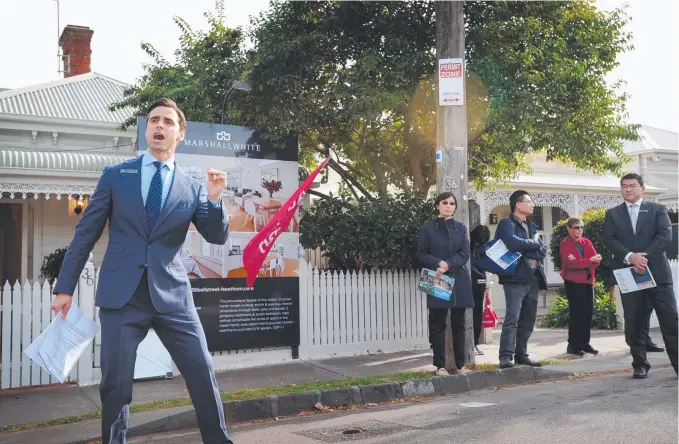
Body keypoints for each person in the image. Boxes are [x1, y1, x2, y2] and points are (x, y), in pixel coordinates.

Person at [50, 99, 234, 444]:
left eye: (167, 122)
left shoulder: (192, 186)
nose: (159, 127)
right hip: (123, 296)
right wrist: (65, 288)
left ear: (180, 134)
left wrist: (214, 198)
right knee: (116, 385)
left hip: (173, 296)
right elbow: (85, 233)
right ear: (147, 129)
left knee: (202, 372)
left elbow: (216, 235)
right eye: (153, 120)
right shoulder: (116, 176)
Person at [603, 173, 678, 379]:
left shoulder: (657, 210)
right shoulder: (613, 214)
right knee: (634, 321)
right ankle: (640, 364)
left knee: (671, 320)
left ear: (642, 189)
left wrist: (643, 257)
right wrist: (630, 257)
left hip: (657, 275)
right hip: (630, 274)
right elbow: (610, 240)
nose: (628, 189)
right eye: (624, 186)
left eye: (633, 185)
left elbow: (665, 236)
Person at [416, 192, 474, 376]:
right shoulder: (428, 227)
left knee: (459, 324)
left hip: (459, 278)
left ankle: (459, 365)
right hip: (437, 278)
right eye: (445, 203)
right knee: (437, 322)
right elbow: (421, 253)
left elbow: (465, 253)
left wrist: (448, 264)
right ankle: (439, 365)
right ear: (437, 206)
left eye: (452, 203)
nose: (449, 206)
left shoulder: (460, 228)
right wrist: (438, 264)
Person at [496, 190, 547, 369]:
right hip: (514, 278)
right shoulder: (506, 223)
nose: (532, 204)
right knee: (512, 318)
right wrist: (533, 245)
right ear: (518, 204)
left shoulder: (531, 226)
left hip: (532, 277)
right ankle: (505, 357)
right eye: (529, 201)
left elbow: (543, 250)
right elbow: (512, 243)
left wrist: (531, 247)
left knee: (528, 318)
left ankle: (521, 354)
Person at [559, 217, 602, 356]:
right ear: (569, 228)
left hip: (587, 281)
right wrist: (588, 261)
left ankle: (585, 343)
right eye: (577, 227)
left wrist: (583, 262)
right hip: (573, 282)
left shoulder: (586, 242)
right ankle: (573, 345)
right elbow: (571, 264)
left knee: (587, 313)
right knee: (576, 314)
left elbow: (597, 262)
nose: (580, 230)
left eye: (582, 227)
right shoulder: (565, 244)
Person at [470, 225, 492, 355]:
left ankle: (474, 343)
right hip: (479, 283)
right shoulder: (483, 249)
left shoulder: (472, 248)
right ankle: (474, 343)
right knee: (477, 313)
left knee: (475, 313)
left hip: (475, 282)